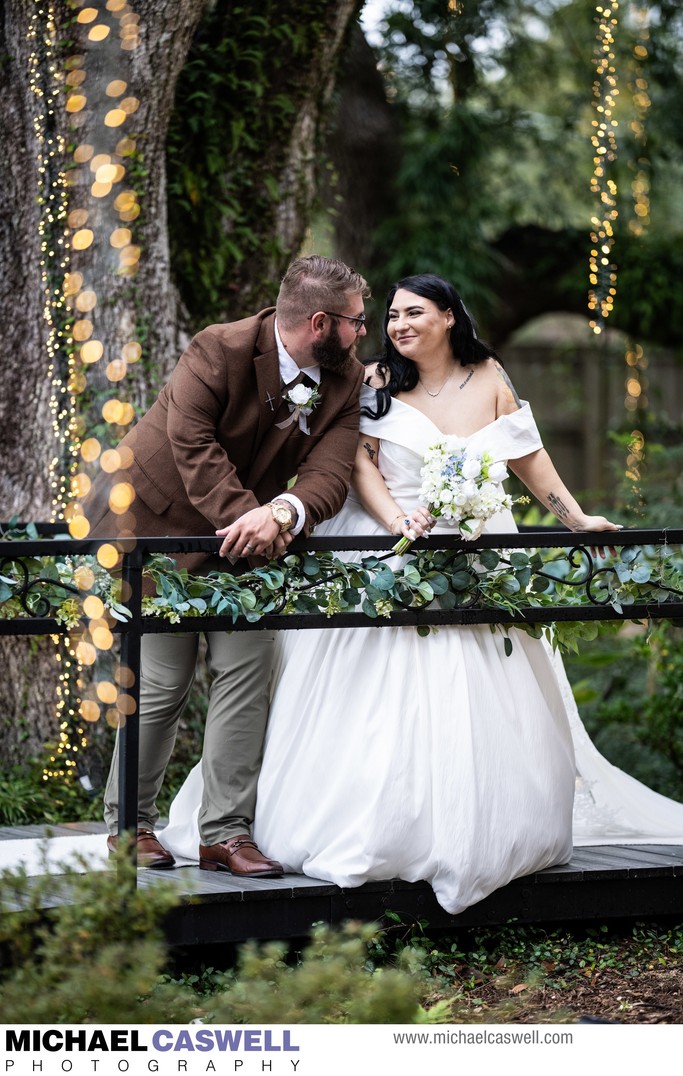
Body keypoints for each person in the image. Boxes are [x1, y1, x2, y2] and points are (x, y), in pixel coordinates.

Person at [160, 273, 683, 916]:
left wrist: (576, 519)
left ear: (449, 316)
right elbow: (359, 463)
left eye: (413, 313)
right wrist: (396, 525)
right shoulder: (374, 379)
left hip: (475, 549)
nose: (397, 325)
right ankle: (359, 828)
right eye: (390, 316)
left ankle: (486, 828)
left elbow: (528, 455)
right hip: (392, 546)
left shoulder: (491, 375)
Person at [84, 254, 371, 875]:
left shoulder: (345, 381)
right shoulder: (218, 349)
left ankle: (226, 834)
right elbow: (194, 447)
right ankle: (127, 827)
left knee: (250, 668)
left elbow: (331, 472)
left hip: (250, 537)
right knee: (162, 681)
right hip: (156, 527)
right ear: (319, 323)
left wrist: (285, 514)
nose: (362, 335)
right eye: (356, 323)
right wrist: (253, 519)